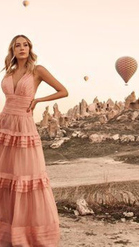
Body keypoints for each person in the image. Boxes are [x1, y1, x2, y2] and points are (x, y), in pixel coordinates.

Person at [0, 35, 68, 246]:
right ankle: (7, 232)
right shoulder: (9, 72)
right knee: (6, 178)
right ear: (12, 50)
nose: (22, 48)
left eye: (25, 45)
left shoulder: (38, 71)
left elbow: (63, 91)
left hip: (24, 126)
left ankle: (28, 235)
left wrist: (38, 99)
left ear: (30, 48)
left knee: (24, 177)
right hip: (5, 125)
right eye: (17, 45)